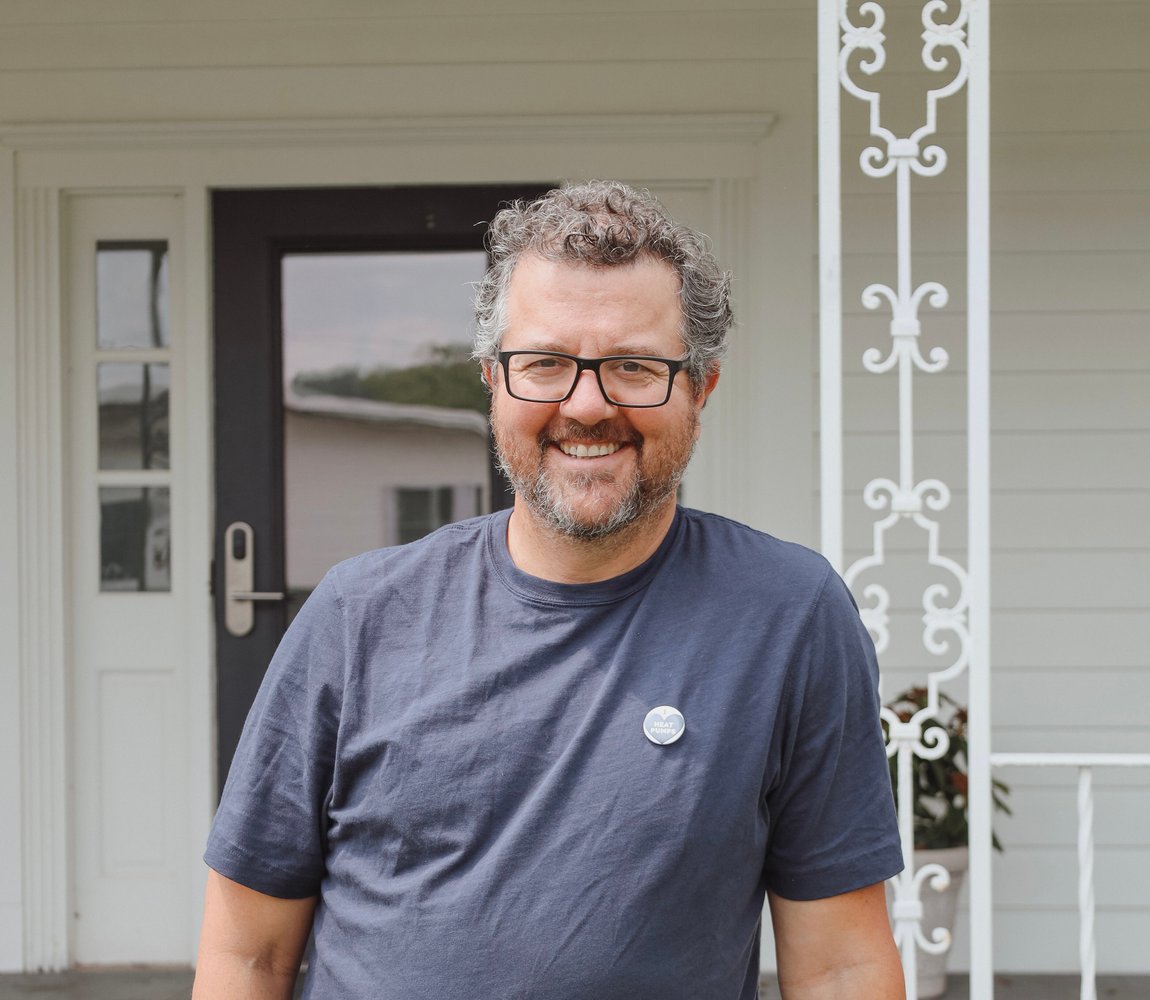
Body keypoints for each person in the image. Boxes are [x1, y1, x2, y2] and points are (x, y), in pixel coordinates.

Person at [194, 181, 904, 999]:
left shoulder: (788, 616)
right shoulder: (358, 616)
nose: (587, 405)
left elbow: (840, 965)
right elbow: (247, 954)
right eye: (546, 365)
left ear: (699, 392)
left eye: (635, 367)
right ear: (494, 382)